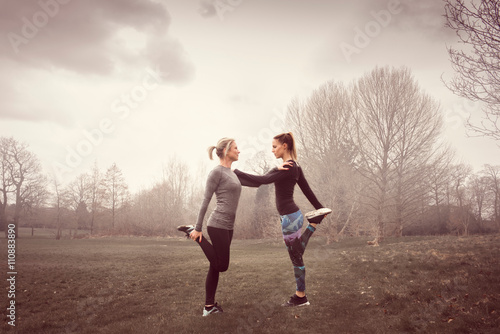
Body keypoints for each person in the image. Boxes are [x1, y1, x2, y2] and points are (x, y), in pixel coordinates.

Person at [234, 132, 331, 307]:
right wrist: (320, 208)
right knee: (297, 254)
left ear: (284, 146)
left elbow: (263, 180)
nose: (272, 150)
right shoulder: (295, 167)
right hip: (292, 216)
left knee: (296, 257)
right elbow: (307, 191)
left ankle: (300, 296)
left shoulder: (288, 167)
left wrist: (235, 171)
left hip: (290, 218)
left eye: (274, 146)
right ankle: (314, 223)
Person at [177, 138, 241, 316]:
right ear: (227, 150)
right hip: (217, 224)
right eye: (236, 148)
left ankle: (209, 307)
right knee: (222, 266)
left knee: (214, 266)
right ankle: (194, 234)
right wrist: (198, 227)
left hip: (228, 226)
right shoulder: (216, 173)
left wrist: (277, 171)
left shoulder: (233, 173)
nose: (239, 151)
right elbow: (205, 201)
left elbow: (258, 180)